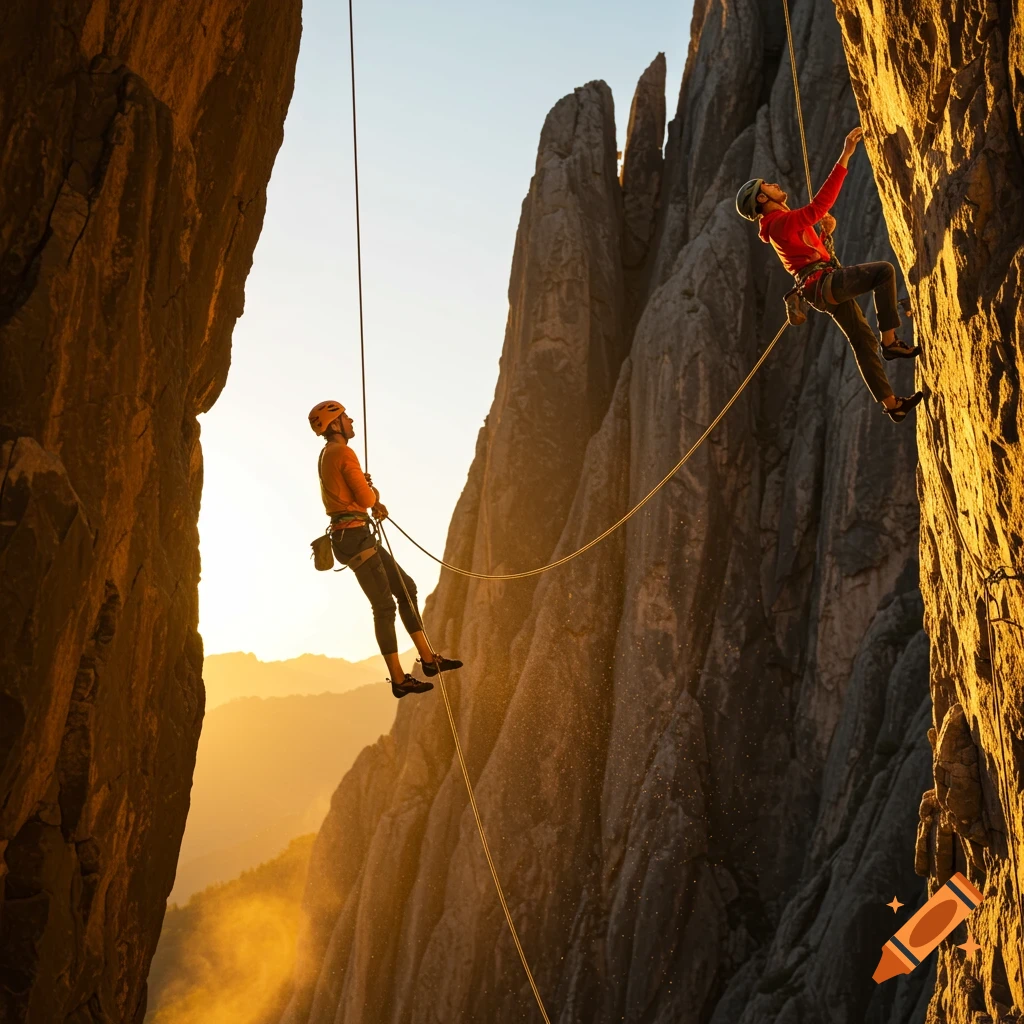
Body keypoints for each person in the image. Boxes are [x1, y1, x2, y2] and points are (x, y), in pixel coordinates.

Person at [735, 126, 924, 423]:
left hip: (820, 287)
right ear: (761, 198)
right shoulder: (778, 222)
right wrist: (845, 155)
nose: (774, 184)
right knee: (883, 273)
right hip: (823, 284)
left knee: (862, 341)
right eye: (767, 185)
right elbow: (818, 207)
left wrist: (825, 234)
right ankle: (890, 342)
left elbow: (808, 255)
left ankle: (893, 405)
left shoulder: (779, 224)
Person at [308, 400, 463, 698]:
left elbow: (352, 496)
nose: (351, 421)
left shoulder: (328, 454)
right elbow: (366, 499)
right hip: (354, 538)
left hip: (354, 536)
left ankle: (428, 659)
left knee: (406, 588)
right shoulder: (342, 452)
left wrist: (367, 495)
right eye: (345, 417)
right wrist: (372, 493)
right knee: (384, 607)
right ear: (335, 424)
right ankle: (399, 679)